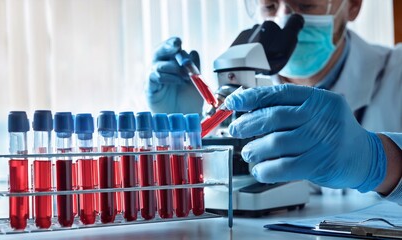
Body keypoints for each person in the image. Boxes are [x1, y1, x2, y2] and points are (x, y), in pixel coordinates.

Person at [146, 0, 402, 203]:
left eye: (305, 5)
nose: (282, 17)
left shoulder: (396, 72)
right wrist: (182, 132)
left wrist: (381, 162)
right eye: (269, 6)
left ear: (353, 5)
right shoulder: (243, 80)